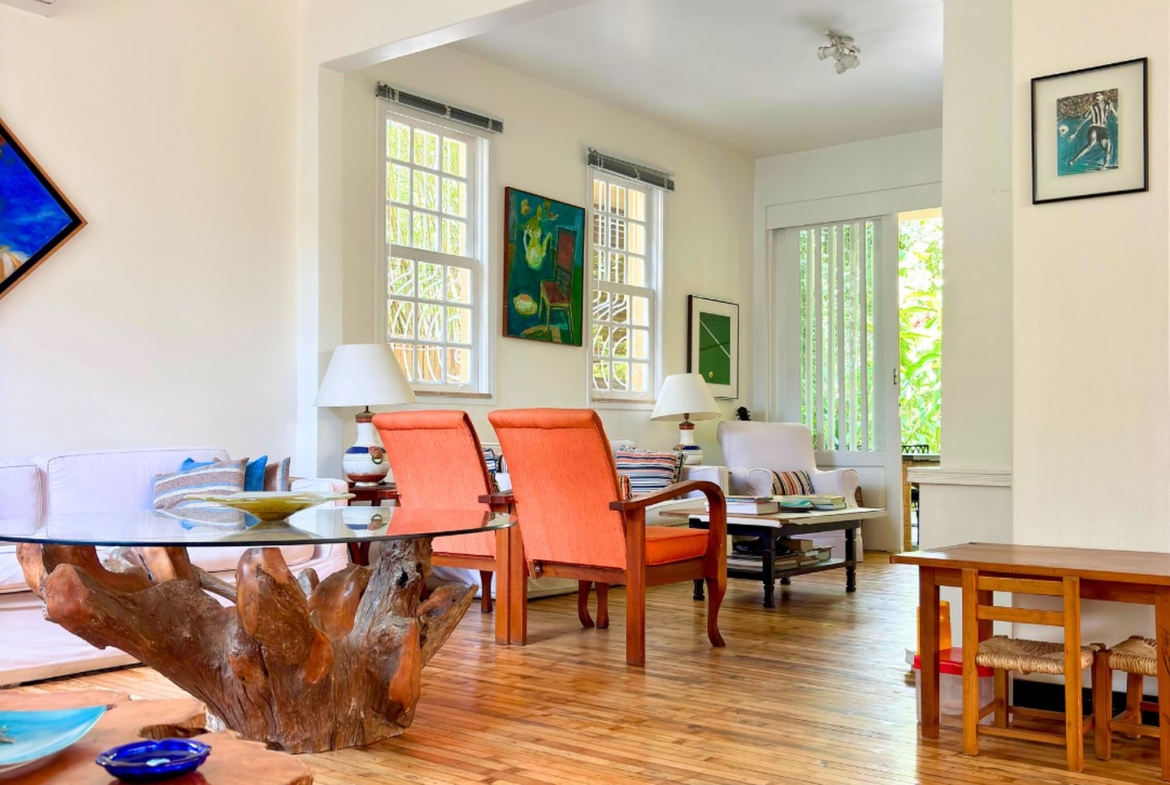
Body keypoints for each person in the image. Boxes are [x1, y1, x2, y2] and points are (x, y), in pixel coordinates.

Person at [1067, 91, 1118, 171]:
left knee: (1108, 146)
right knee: (1091, 143)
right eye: (1096, 96)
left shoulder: (1109, 105)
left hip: (1102, 129)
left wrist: (1118, 120)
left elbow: (1116, 114)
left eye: (1098, 96)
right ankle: (1073, 160)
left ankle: (1104, 166)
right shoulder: (1092, 107)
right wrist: (1074, 133)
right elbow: (1083, 120)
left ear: (1103, 96)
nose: (1096, 98)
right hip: (1094, 127)